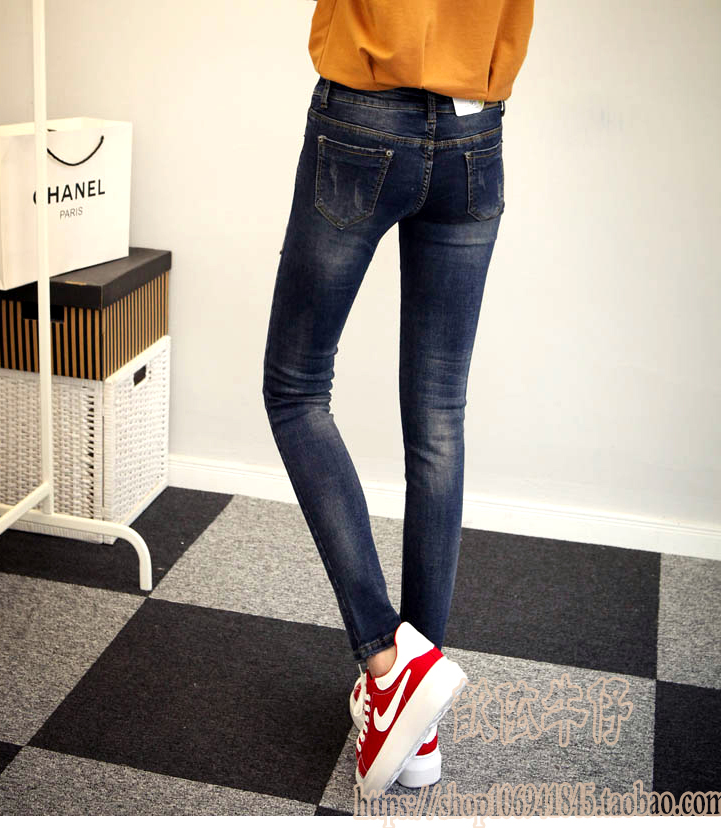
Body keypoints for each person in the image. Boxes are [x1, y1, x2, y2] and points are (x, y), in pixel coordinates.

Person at [262, 0, 534, 797]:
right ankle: (418, 722)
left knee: (294, 388)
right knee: (439, 417)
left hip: (363, 116)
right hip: (475, 123)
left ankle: (387, 662)